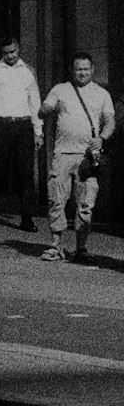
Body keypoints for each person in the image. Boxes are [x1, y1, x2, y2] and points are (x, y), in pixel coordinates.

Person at [38, 52, 115, 265]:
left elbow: (110, 122)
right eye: (78, 69)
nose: (82, 72)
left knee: (86, 204)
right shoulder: (60, 90)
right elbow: (43, 110)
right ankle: (56, 245)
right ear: (73, 70)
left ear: (92, 70)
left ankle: (81, 247)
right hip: (63, 154)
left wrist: (102, 138)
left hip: (87, 158)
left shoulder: (101, 94)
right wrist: (46, 108)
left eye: (86, 69)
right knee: (56, 200)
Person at [0, 35, 42, 230]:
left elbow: (34, 101)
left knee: (26, 174)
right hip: (1, 126)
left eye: (12, 52)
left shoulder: (28, 71)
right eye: (6, 53)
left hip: (23, 126)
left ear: (18, 49)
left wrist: (38, 131)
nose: (10, 56)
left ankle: (27, 218)